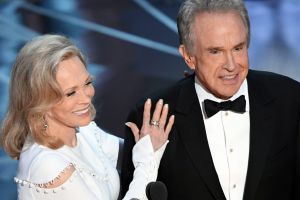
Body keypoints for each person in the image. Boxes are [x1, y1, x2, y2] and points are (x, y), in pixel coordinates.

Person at [121, 0, 300, 200]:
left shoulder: (290, 99)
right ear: (188, 56)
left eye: (238, 48)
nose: (231, 65)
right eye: (216, 51)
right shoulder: (153, 115)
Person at [0, 34, 174, 200]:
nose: (86, 97)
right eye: (71, 93)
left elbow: (135, 152)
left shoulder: (85, 131)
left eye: (87, 83)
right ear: (39, 99)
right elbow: (144, 157)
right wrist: (147, 160)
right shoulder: (47, 164)